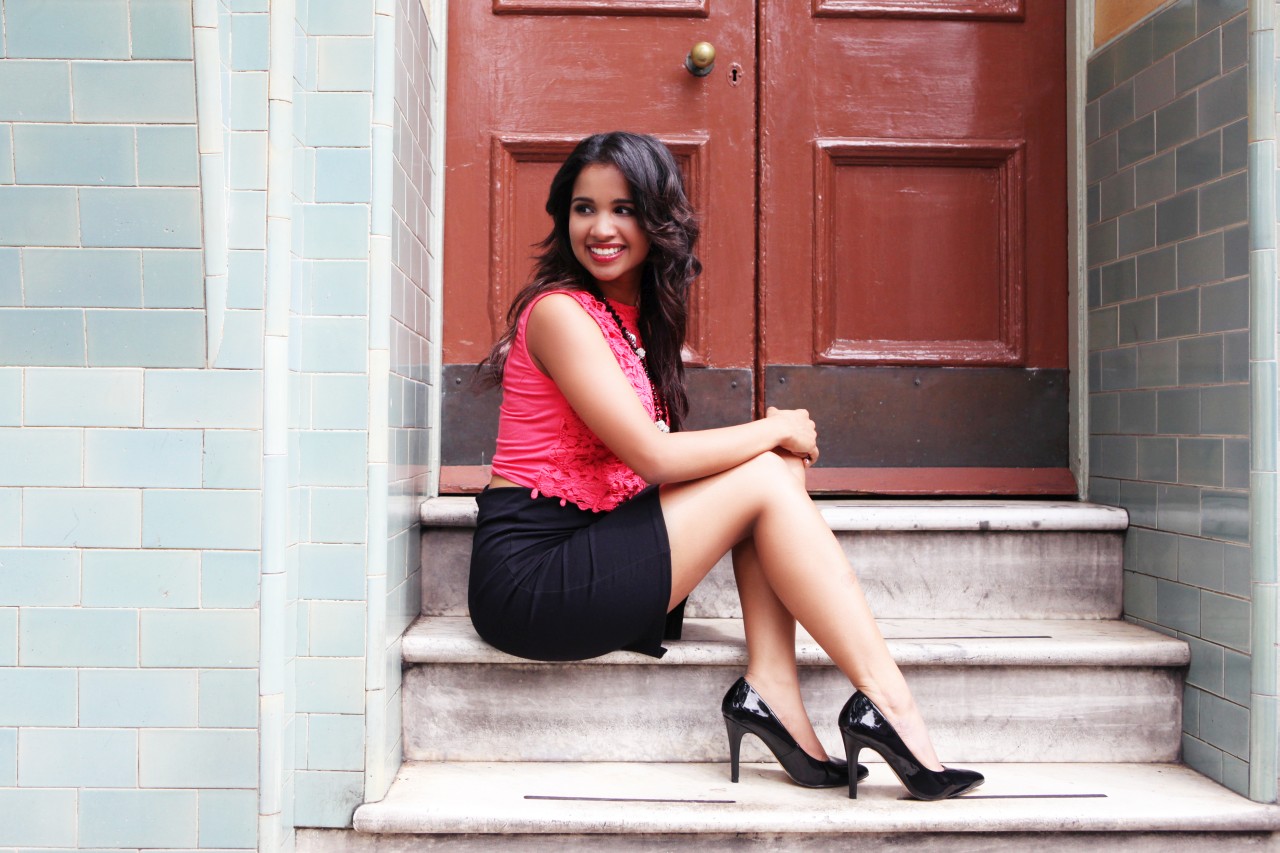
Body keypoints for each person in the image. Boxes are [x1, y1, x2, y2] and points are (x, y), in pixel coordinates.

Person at [469, 131, 983, 801]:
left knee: (776, 472)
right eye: (583, 208)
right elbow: (653, 457)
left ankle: (773, 687)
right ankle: (889, 701)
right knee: (768, 467)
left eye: (624, 209)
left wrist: (773, 447)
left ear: (657, 220)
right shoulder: (560, 314)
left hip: (592, 545)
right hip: (532, 578)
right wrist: (775, 426)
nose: (600, 228)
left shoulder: (632, 319)